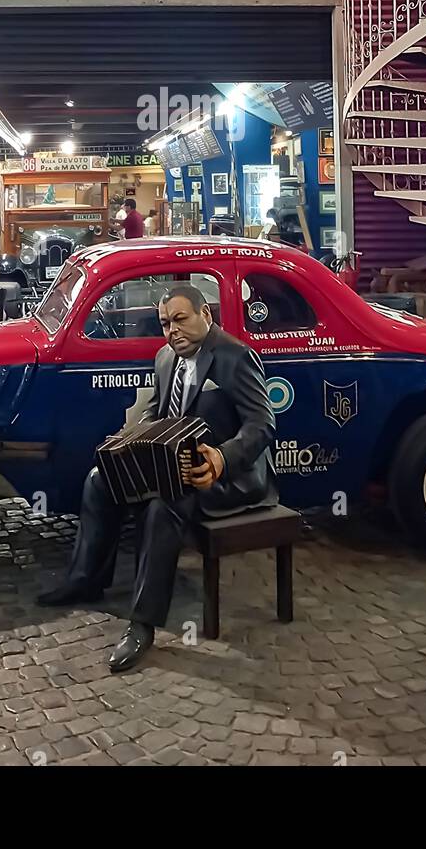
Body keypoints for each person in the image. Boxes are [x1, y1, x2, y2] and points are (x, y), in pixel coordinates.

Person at [37, 282, 277, 672]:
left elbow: (262, 425)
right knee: (100, 479)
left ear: (206, 316)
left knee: (163, 505)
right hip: (172, 465)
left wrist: (220, 458)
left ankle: (142, 624)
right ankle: (85, 578)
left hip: (229, 478)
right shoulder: (165, 357)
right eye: (165, 323)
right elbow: (157, 412)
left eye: (181, 320)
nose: (172, 331)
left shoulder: (236, 357)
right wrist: (133, 439)